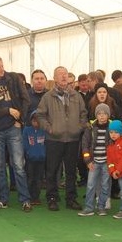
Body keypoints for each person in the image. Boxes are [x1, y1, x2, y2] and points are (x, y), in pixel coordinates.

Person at [0, 56, 32, 212]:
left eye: (2, 66)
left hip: (13, 128)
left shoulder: (13, 78)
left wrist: (20, 120)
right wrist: (7, 110)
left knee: (18, 165)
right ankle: (2, 199)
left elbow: (25, 99)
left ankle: (25, 200)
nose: (1, 69)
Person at [36, 65, 87, 211]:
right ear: (54, 78)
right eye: (60, 74)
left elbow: (83, 114)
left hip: (73, 139)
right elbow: (40, 115)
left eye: (65, 74)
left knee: (71, 171)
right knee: (52, 170)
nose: (64, 76)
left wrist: (79, 128)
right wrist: (49, 129)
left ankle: (71, 198)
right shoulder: (47, 97)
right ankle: (52, 198)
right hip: (54, 139)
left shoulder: (76, 96)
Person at [79, 103, 112, 216]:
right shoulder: (90, 128)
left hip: (107, 162)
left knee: (105, 185)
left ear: (108, 115)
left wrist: (112, 161)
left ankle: (101, 207)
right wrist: (88, 161)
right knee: (90, 184)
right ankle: (88, 207)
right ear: (96, 115)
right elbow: (85, 145)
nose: (102, 116)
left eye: (104, 114)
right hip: (93, 162)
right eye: (99, 114)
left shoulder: (111, 128)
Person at [22, 110, 46, 205]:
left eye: (38, 121)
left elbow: (46, 144)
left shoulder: (44, 130)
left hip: (41, 159)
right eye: (34, 121)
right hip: (30, 159)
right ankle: (28, 196)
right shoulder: (27, 130)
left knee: (39, 178)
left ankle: (36, 197)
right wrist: (28, 153)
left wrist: (44, 154)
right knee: (30, 178)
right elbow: (24, 143)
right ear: (31, 121)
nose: (36, 123)